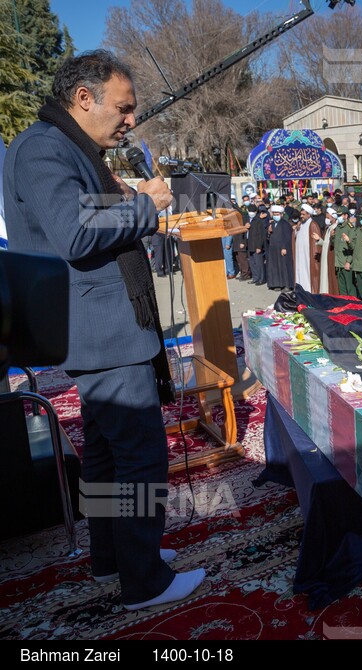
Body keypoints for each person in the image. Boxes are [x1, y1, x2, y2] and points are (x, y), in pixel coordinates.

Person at [4, 49, 204, 609]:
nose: (131, 120)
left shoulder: (62, 147)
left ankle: (112, 558)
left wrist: (113, 192)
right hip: (102, 330)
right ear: (83, 98)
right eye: (124, 107)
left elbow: (69, 215)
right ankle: (145, 581)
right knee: (140, 455)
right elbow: (73, 234)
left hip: (99, 327)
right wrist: (144, 206)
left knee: (108, 456)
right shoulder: (45, 149)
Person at [293, 204, 322, 294]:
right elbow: (296, 235)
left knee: (308, 273)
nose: (301, 216)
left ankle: (309, 291)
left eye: (303, 214)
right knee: (300, 272)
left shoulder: (313, 224)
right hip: (300, 255)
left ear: (309, 215)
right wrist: (296, 230)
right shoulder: (301, 224)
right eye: (301, 214)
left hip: (308, 256)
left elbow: (317, 242)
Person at [265, 204, 294, 291]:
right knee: (275, 266)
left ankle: (287, 285)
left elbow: (287, 237)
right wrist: (268, 232)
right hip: (274, 249)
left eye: (277, 214)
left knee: (284, 266)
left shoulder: (285, 224)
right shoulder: (272, 224)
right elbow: (268, 237)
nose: (275, 216)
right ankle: (277, 283)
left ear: (281, 214)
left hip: (282, 248)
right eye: (274, 214)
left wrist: (284, 247)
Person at [333, 208, 356, 297]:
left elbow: (353, 247)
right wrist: (332, 237)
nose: (338, 217)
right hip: (338, 262)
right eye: (337, 215)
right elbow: (335, 244)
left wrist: (348, 261)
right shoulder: (338, 227)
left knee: (349, 287)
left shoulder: (350, 228)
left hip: (346, 262)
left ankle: (353, 306)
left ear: (346, 216)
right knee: (342, 288)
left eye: (340, 215)